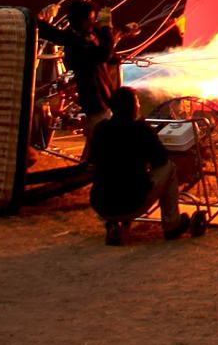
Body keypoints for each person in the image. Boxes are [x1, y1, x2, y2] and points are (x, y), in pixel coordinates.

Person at [87, 87, 204, 245]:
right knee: (169, 168)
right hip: (133, 202)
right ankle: (172, 225)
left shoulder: (101, 129)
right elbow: (160, 159)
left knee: (117, 178)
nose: (139, 105)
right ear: (132, 107)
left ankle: (114, 224)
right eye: (137, 102)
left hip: (101, 203)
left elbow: (94, 160)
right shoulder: (140, 129)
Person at [36, 0, 123, 135]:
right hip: (95, 100)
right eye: (91, 19)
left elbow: (107, 46)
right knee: (101, 137)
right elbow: (104, 53)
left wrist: (121, 30)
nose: (93, 22)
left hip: (103, 98)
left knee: (98, 138)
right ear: (82, 22)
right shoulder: (75, 40)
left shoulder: (88, 34)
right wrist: (106, 27)